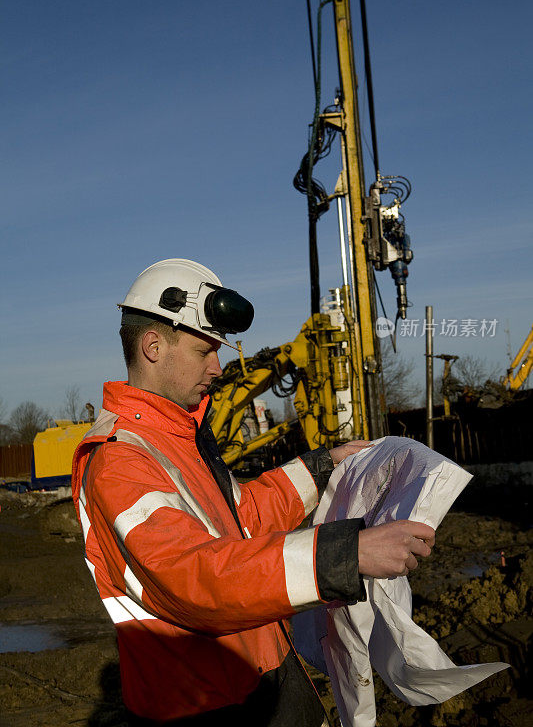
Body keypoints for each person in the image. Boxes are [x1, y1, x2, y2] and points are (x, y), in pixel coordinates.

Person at [71, 258, 435, 727]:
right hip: (204, 707)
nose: (217, 366)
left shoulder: (181, 439)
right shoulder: (120, 460)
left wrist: (325, 466)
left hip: (265, 679)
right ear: (154, 346)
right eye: (205, 351)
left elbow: (245, 518)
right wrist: (345, 555)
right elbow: (193, 576)